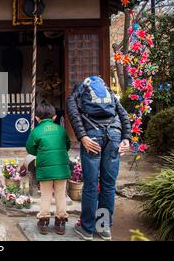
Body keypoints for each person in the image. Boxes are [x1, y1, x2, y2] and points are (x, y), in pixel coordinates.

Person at [66, 76, 131, 241]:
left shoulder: (77, 93)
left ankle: (87, 229)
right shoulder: (108, 93)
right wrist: (126, 138)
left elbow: (73, 114)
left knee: (91, 185)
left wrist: (82, 137)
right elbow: (123, 114)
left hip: (92, 138)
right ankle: (103, 228)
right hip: (114, 137)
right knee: (108, 186)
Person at [26, 101, 71, 235]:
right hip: (62, 169)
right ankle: (61, 222)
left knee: (45, 195)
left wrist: (40, 152)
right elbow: (67, 145)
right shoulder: (62, 130)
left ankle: (44, 221)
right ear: (54, 117)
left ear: (37, 118)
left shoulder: (36, 131)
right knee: (60, 195)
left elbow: (30, 149)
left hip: (45, 169)